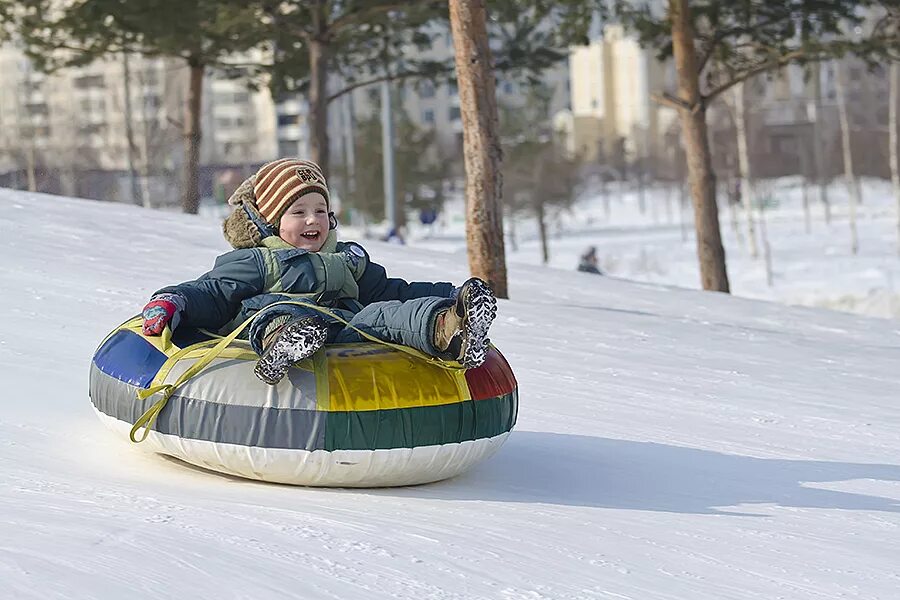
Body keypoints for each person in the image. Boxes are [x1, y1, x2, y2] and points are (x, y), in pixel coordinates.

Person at [140, 158, 497, 385]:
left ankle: (450, 328)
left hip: (345, 328)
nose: (313, 219)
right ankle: (285, 344)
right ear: (270, 222)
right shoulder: (257, 260)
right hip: (282, 319)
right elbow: (212, 292)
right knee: (276, 310)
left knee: (382, 313)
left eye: (321, 209)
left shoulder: (348, 258)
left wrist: (450, 295)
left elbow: (391, 290)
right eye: (298, 212)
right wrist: (173, 301)